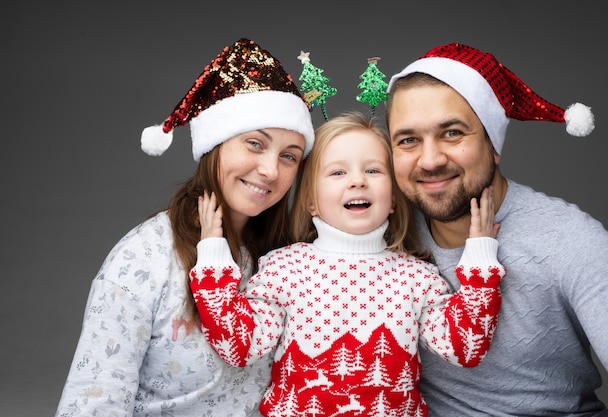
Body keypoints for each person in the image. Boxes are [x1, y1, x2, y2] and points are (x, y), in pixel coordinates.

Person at [54, 38, 315, 417]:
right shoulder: (144, 259)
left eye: (289, 156)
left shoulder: (286, 260)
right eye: (255, 144)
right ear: (215, 145)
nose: (271, 170)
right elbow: (94, 400)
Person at [189, 111, 506, 416]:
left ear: (394, 198)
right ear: (311, 199)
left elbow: (465, 349)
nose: (358, 181)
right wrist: (213, 256)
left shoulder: (417, 278)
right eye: (338, 172)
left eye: (373, 170)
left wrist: (480, 259)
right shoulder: (283, 269)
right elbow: (238, 348)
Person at [385, 42, 608, 416]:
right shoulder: (379, 233)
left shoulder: (570, 241)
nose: (429, 160)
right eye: (408, 140)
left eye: (452, 133)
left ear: (493, 145)